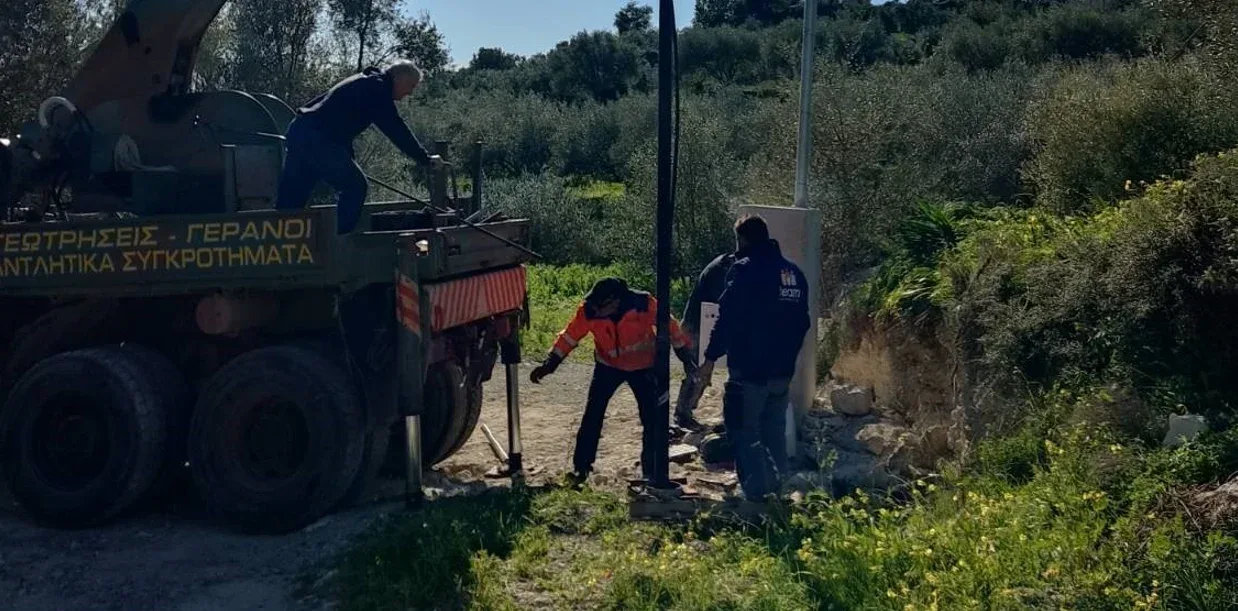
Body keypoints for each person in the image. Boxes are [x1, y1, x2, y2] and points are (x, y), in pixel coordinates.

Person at [529, 277, 696, 487]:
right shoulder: (589, 310)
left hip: (644, 367)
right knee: (592, 416)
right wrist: (550, 364)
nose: (594, 310)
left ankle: (651, 472)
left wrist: (686, 356)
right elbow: (570, 336)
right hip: (607, 366)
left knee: (652, 421)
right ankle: (580, 469)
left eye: (600, 306)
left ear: (615, 301)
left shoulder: (644, 304)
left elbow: (671, 327)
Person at [697, 215, 810, 501]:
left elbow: (727, 319)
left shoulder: (744, 270)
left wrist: (710, 359)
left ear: (742, 239)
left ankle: (757, 499)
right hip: (782, 372)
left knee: (743, 431)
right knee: (773, 433)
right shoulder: (794, 273)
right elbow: (803, 323)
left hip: (750, 371)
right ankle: (777, 491)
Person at [276, 59, 443, 234]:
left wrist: (348, 158)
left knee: (291, 200)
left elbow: (337, 125)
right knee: (355, 186)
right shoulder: (377, 89)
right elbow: (396, 129)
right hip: (315, 140)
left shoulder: (367, 82)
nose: (409, 92)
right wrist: (425, 158)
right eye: (411, 86)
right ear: (398, 78)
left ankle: (279, 246)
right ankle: (342, 243)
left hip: (300, 132)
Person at [674, 250, 735, 430]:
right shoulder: (722, 270)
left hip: (704, 321)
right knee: (698, 372)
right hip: (697, 324)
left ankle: (684, 412)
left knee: (701, 372)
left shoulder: (723, 264)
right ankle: (682, 414)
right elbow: (725, 301)